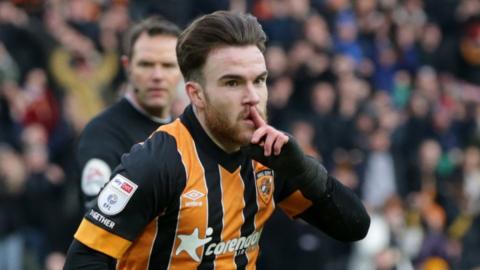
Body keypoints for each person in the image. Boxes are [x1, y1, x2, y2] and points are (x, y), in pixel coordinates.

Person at [64, 11, 370, 269]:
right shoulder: (159, 162)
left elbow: (355, 227)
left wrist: (304, 170)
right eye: (233, 83)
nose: (252, 97)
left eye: (259, 81)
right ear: (196, 94)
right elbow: (84, 260)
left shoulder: (272, 157)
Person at [76, 16, 183, 209]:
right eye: (146, 64)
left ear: (183, 71)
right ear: (128, 67)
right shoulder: (102, 133)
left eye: (168, 65)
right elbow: (97, 210)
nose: (157, 76)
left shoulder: (185, 133)